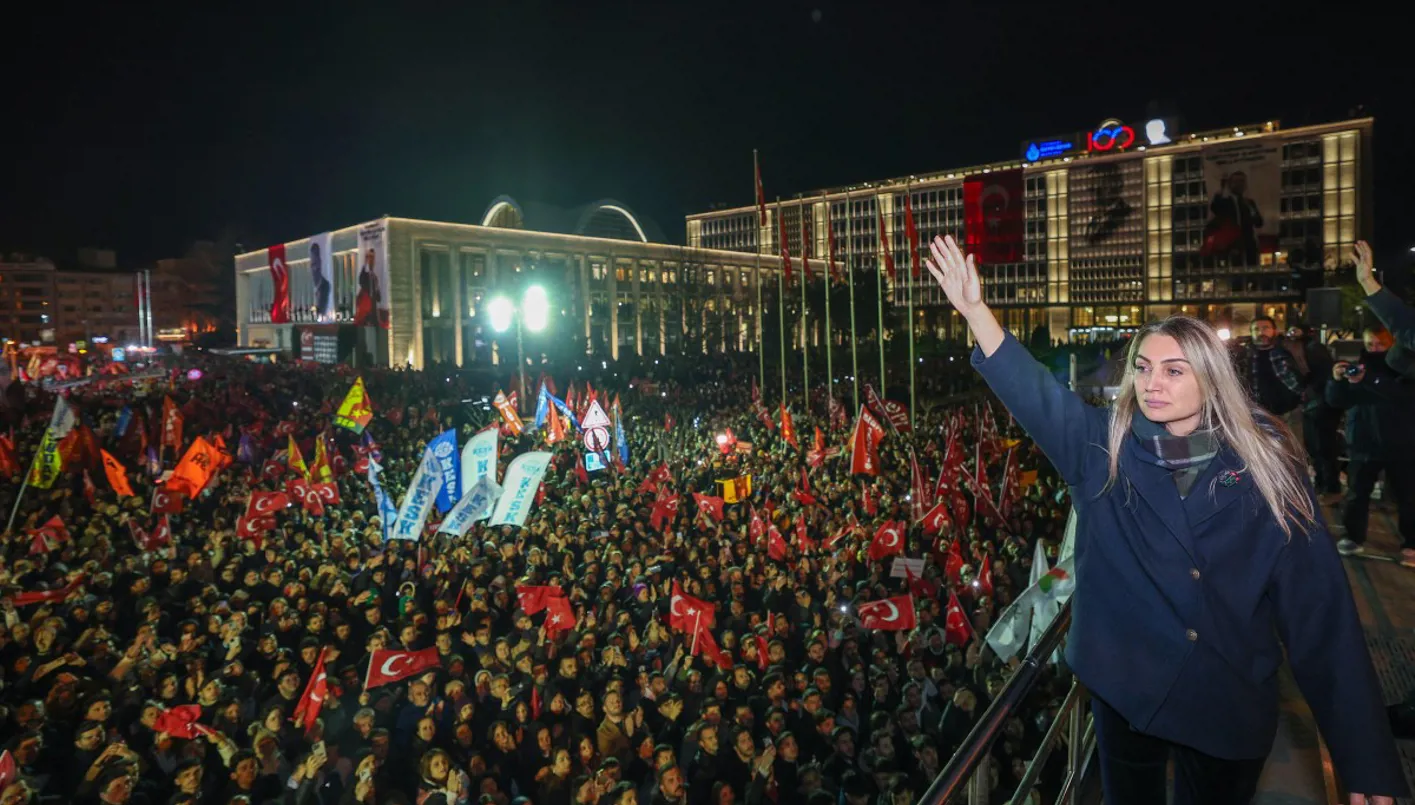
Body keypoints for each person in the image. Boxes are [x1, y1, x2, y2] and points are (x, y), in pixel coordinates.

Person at [923, 233, 1405, 805]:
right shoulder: (1103, 448)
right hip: (1126, 686)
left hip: (1225, 695)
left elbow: (1320, 616)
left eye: (1174, 370)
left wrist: (1364, 759)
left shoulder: (1268, 467)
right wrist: (976, 311)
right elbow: (1035, 395)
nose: (1152, 383)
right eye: (1144, 366)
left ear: (1211, 378)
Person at [1326, 325, 1415, 566]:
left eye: (1380, 344)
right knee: (1357, 494)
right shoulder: (1359, 368)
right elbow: (1335, 401)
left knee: (1408, 497)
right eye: (1369, 344)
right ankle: (1353, 537)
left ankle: (1411, 544)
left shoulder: (1406, 368)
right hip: (1364, 442)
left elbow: (1399, 394)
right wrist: (1336, 380)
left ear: (1392, 344)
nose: (1374, 349)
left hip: (1402, 442)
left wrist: (1368, 379)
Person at [1208, 171, 1263, 266]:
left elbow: (1259, 222)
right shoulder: (1225, 202)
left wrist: (1252, 214)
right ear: (1230, 184)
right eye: (1236, 181)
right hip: (1232, 246)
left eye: (1242, 181)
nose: (1240, 184)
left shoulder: (1249, 203)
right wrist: (1222, 188)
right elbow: (1215, 207)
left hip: (1249, 246)